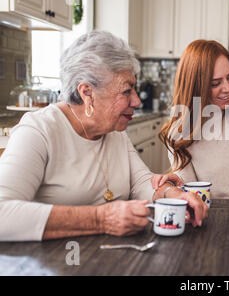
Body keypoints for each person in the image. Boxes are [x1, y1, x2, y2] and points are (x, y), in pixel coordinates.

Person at [0, 31, 207, 242]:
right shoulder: (38, 131)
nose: (136, 101)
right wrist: (101, 219)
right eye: (127, 91)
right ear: (87, 93)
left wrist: (173, 195)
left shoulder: (113, 131)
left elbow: (141, 183)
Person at [154, 39, 229, 198]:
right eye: (215, 83)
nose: (227, 88)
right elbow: (191, 195)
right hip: (214, 214)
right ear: (196, 87)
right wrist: (173, 185)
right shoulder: (179, 133)